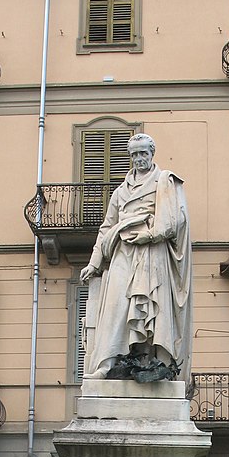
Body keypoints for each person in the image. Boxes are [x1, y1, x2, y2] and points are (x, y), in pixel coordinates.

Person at [80, 134, 191, 383]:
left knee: (154, 306)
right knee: (115, 306)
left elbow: (176, 219)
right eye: (135, 154)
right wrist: (94, 262)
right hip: (123, 250)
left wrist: (149, 234)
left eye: (143, 153)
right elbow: (107, 227)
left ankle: (157, 363)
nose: (139, 158)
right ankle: (106, 364)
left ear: (152, 154)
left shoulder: (165, 182)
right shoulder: (121, 191)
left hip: (152, 252)